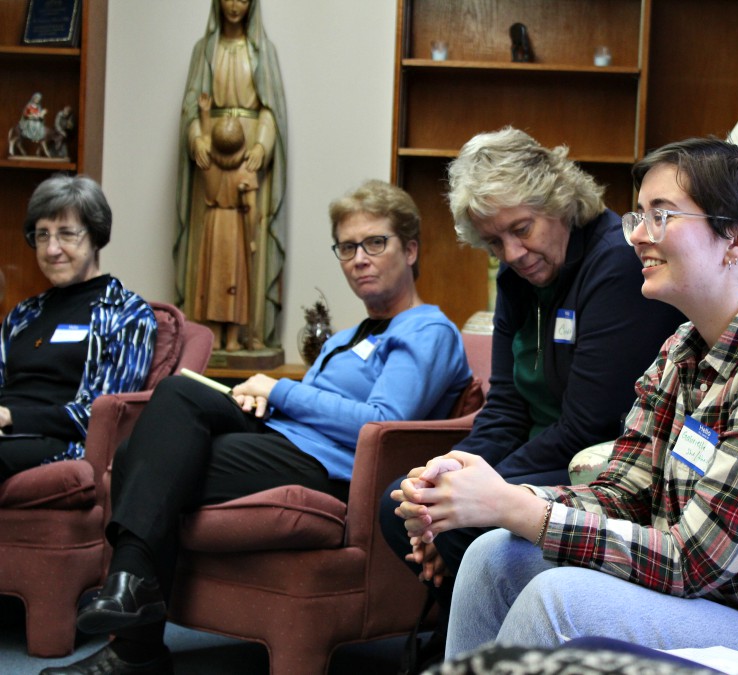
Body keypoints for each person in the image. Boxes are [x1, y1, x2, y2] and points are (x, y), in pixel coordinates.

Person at [393, 138, 738, 662]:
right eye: (638, 217)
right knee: (494, 555)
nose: (637, 237)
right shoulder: (683, 349)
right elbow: (623, 494)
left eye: (662, 216)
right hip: (727, 603)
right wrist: (473, 493)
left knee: (557, 601)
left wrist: (513, 504)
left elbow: (691, 562)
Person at [46, 180, 472, 675]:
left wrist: (278, 390)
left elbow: (383, 419)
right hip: (282, 440)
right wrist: (258, 401)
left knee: (149, 464)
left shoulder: (428, 329)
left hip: (330, 467)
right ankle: (132, 605)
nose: (360, 258)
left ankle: (133, 637)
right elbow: (300, 408)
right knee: (177, 399)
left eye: (375, 243)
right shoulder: (346, 338)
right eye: (348, 247)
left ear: (411, 249)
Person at [378, 126, 686, 668]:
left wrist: (479, 492)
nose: (513, 253)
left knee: (460, 520)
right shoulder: (518, 277)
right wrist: (443, 474)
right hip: (535, 458)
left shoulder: (616, 261)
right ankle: (475, 642)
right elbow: (505, 408)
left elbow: (588, 427)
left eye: (522, 230)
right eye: (494, 242)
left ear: (559, 201)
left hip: (597, 468)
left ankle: (477, 650)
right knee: (404, 501)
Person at [0, 174, 156, 482]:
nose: (51, 249)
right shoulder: (24, 314)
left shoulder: (127, 314)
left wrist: (11, 417)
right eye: (42, 235)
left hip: (60, 443)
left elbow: (103, 416)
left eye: (66, 235)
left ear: (95, 237)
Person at [175, 0, 287, 351]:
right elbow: (191, 105)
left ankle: (245, 332)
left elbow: (270, 109)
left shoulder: (262, 51)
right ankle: (203, 336)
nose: (235, 6)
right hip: (210, 148)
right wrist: (196, 138)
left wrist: (262, 147)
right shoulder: (204, 49)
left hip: (249, 149)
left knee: (246, 244)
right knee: (210, 242)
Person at [190, 93, 259, 352]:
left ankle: (215, 338)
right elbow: (251, 210)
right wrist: (251, 238)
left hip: (213, 223)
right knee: (234, 281)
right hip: (236, 226)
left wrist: (205, 114)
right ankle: (232, 340)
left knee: (213, 280)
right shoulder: (246, 171)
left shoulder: (207, 164)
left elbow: (207, 140)